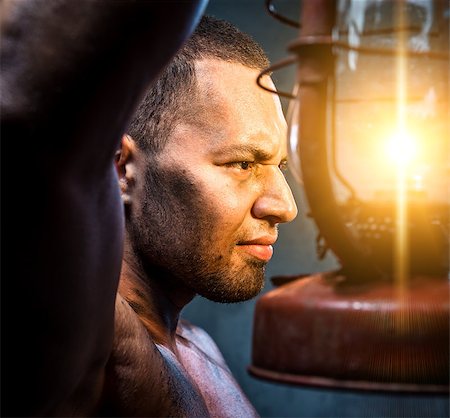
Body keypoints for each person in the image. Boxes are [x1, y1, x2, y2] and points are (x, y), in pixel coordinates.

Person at [2, 2, 297, 417]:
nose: (285, 206)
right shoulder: (89, 339)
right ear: (121, 168)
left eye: (279, 165)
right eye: (243, 164)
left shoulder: (194, 345)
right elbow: (24, 112)